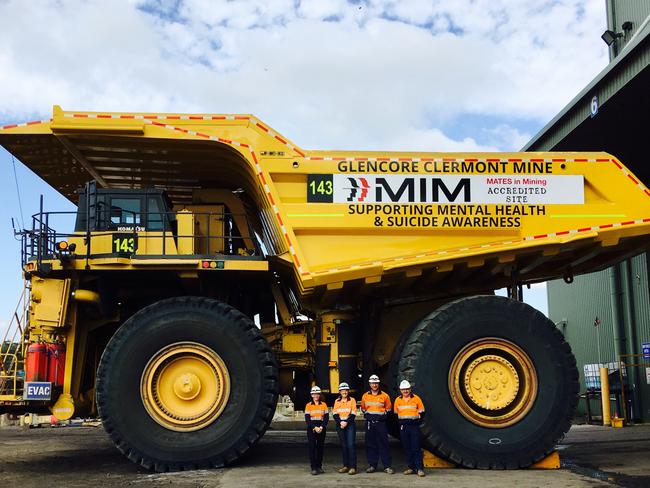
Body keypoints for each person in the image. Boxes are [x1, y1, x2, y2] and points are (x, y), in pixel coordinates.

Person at [360, 374, 394, 474]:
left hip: (381, 424)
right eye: (372, 383)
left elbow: (388, 410)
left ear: (378, 384)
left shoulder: (385, 396)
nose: (374, 385)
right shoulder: (365, 396)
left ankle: (387, 466)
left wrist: (380, 417)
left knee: (384, 444)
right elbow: (363, 408)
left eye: (376, 383)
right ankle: (372, 465)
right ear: (370, 384)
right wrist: (370, 417)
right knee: (371, 444)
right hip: (370, 423)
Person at [394, 380, 426, 477]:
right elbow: (396, 414)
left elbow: (422, 412)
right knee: (407, 447)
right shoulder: (397, 400)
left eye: (407, 389)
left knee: (416, 447)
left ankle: (419, 468)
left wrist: (416, 422)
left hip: (414, 427)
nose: (405, 391)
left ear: (410, 389)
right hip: (404, 427)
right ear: (400, 390)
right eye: (403, 390)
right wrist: (401, 423)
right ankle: (411, 467)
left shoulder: (416, 399)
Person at [332, 382, 357, 475]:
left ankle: (353, 467)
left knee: (350, 445)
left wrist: (346, 422)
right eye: (343, 390)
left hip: (350, 425)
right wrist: (341, 422)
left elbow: (353, 413)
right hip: (340, 425)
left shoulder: (352, 400)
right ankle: (346, 466)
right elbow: (335, 414)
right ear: (340, 391)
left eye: (346, 390)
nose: (344, 392)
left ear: (348, 391)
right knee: (344, 446)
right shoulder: (337, 401)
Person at [304, 385, 328, 475]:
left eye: (317, 394)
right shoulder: (308, 405)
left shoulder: (324, 405)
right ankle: (313, 468)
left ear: (319, 394)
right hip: (312, 428)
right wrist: (315, 427)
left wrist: (321, 427)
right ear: (312, 395)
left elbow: (326, 417)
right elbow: (307, 419)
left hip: (321, 428)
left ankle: (319, 466)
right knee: (312, 447)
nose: (316, 395)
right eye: (314, 394)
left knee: (320, 448)